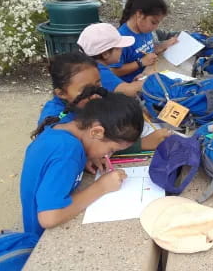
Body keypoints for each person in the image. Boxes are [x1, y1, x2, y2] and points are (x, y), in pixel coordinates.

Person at [22, 93, 143, 237]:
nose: (107, 156)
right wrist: (101, 187)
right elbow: (49, 217)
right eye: (111, 150)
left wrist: (88, 156)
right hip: (41, 239)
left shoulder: (64, 131)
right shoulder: (67, 152)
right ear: (97, 132)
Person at [36, 53, 171, 168]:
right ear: (61, 94)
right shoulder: (57, 121)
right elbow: (91, 146)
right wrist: (141, 144)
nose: (95, 93)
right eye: (86, 90)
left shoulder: (94, 98)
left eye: (98, 84)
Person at [110, 0, 178, 82]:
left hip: (148, 73)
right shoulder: (122, 39)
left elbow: (145, 50)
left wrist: (163, 45)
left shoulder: (144, 30)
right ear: (139, 14)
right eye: (153, 22)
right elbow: (114, 71)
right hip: (132, 84)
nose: (155, 27)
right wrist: (140, 63)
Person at [77, 23, 145, 96]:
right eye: (118, 48)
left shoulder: (88, 64)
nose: (122, 49)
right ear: (105, 54)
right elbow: (128, 92)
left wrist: (133, 84)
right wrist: (149, 80)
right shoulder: (97, 71)